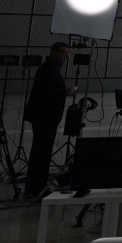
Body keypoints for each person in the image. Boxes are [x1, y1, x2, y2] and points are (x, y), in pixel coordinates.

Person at [24, 42, 76, 198]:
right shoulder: (47, 68)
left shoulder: (51, 68)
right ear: (54, 52)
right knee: (42, 153)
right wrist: (66, 92)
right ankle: (37, 187)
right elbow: (46, 92)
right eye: (64, 52)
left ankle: (36, 185)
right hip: (44, 117)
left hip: (46, 117)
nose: (66, 55)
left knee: (41, 151)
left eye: (68, 52)